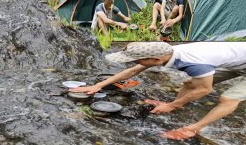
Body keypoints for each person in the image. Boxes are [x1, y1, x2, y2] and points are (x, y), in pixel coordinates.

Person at [69, 42, 246, 140]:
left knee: (227, 99)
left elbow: (205, 89)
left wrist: (172, 104)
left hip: (237, 62)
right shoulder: (169, 52)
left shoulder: (194, 63)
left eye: (136, 60)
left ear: (155, 59)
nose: (133, 63)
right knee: (188, 82)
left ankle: (193, 128)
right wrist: (98, 86)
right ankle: (175, 106)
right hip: (236, 61)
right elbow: (132, 71)